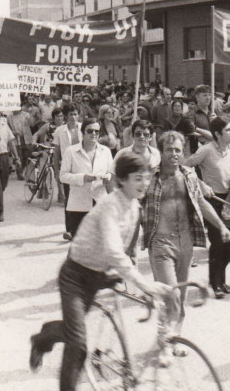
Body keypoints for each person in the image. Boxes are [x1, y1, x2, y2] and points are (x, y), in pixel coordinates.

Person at [29, 152, 173, 389]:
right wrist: (143, 283)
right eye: (137, 179)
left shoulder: (135, 207)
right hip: (75, 274)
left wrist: (140, 285)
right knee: (77, 343)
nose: (144, 184)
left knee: (75, 334)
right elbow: (114, 251)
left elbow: (129, 249)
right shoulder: (109, 205)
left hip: (100, 273)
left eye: (146, 178)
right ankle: (42, 339)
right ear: (122, 180)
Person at [142, 131, 230, 335]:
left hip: (185, 242)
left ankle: (174, 337)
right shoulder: (149, 178)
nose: (174, 154)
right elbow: (132, 206)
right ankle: (166, 336)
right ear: (161, 151)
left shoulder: (189, 176)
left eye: (177, 150)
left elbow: (201, 203)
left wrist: (221, 226)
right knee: (171, 294)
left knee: (180, 296)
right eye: (169, 150)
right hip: (161, 242)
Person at [185, 118, 230, 297]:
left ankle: (222, 280)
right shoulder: (205, 150)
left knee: (229, 247)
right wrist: (201, 185)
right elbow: (185, 168)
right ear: (218, 134)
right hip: (212, 202)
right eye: (228, 130)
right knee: (218, 243)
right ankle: (215, 283)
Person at [60, 119, 115, 241]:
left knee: (100, 240)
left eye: (97, 131)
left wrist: (108, 178)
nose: (94, 134)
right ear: (83, 132)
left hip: (100, 201)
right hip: (78, 205)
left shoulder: (105, 151)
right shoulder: (71, 151)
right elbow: (63, 176)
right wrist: (82, 177)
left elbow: (111, 171)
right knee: (80, 243)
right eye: (90, 131)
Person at [53, 103, 83, 208]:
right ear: (66, 116)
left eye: (75, 114)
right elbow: (56, 153)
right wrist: (56, 171)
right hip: (67, 166)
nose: (73, 117)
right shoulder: (59, 131)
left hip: (83, 165)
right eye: (71, 114)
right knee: (69, 198)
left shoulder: (84, 128)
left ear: (78, 115)